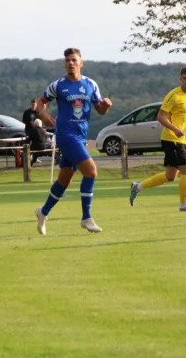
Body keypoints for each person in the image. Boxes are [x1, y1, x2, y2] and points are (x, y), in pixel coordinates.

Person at [34, 48, 113, 234]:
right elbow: (41, 102)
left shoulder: (91, 84)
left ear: (81, 63)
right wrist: (43, 114)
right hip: (65, 135)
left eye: (74, 60)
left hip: (80, 136)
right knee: (91, 172)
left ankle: (43, 212)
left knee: (64, 180)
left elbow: (100, 110)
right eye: (67, 60)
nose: (70, 63)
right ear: (64, 64)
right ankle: (86, 218)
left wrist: (106, 106)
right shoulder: (58, 85)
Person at [129, 66, 186, 212]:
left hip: (179, 139)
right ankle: (184, 206)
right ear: (180, 79)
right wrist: (175, 129)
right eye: (184, 78)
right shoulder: (173, 96)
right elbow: (160, 117)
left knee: (170, 176)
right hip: (171, 139)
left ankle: (137, 187)